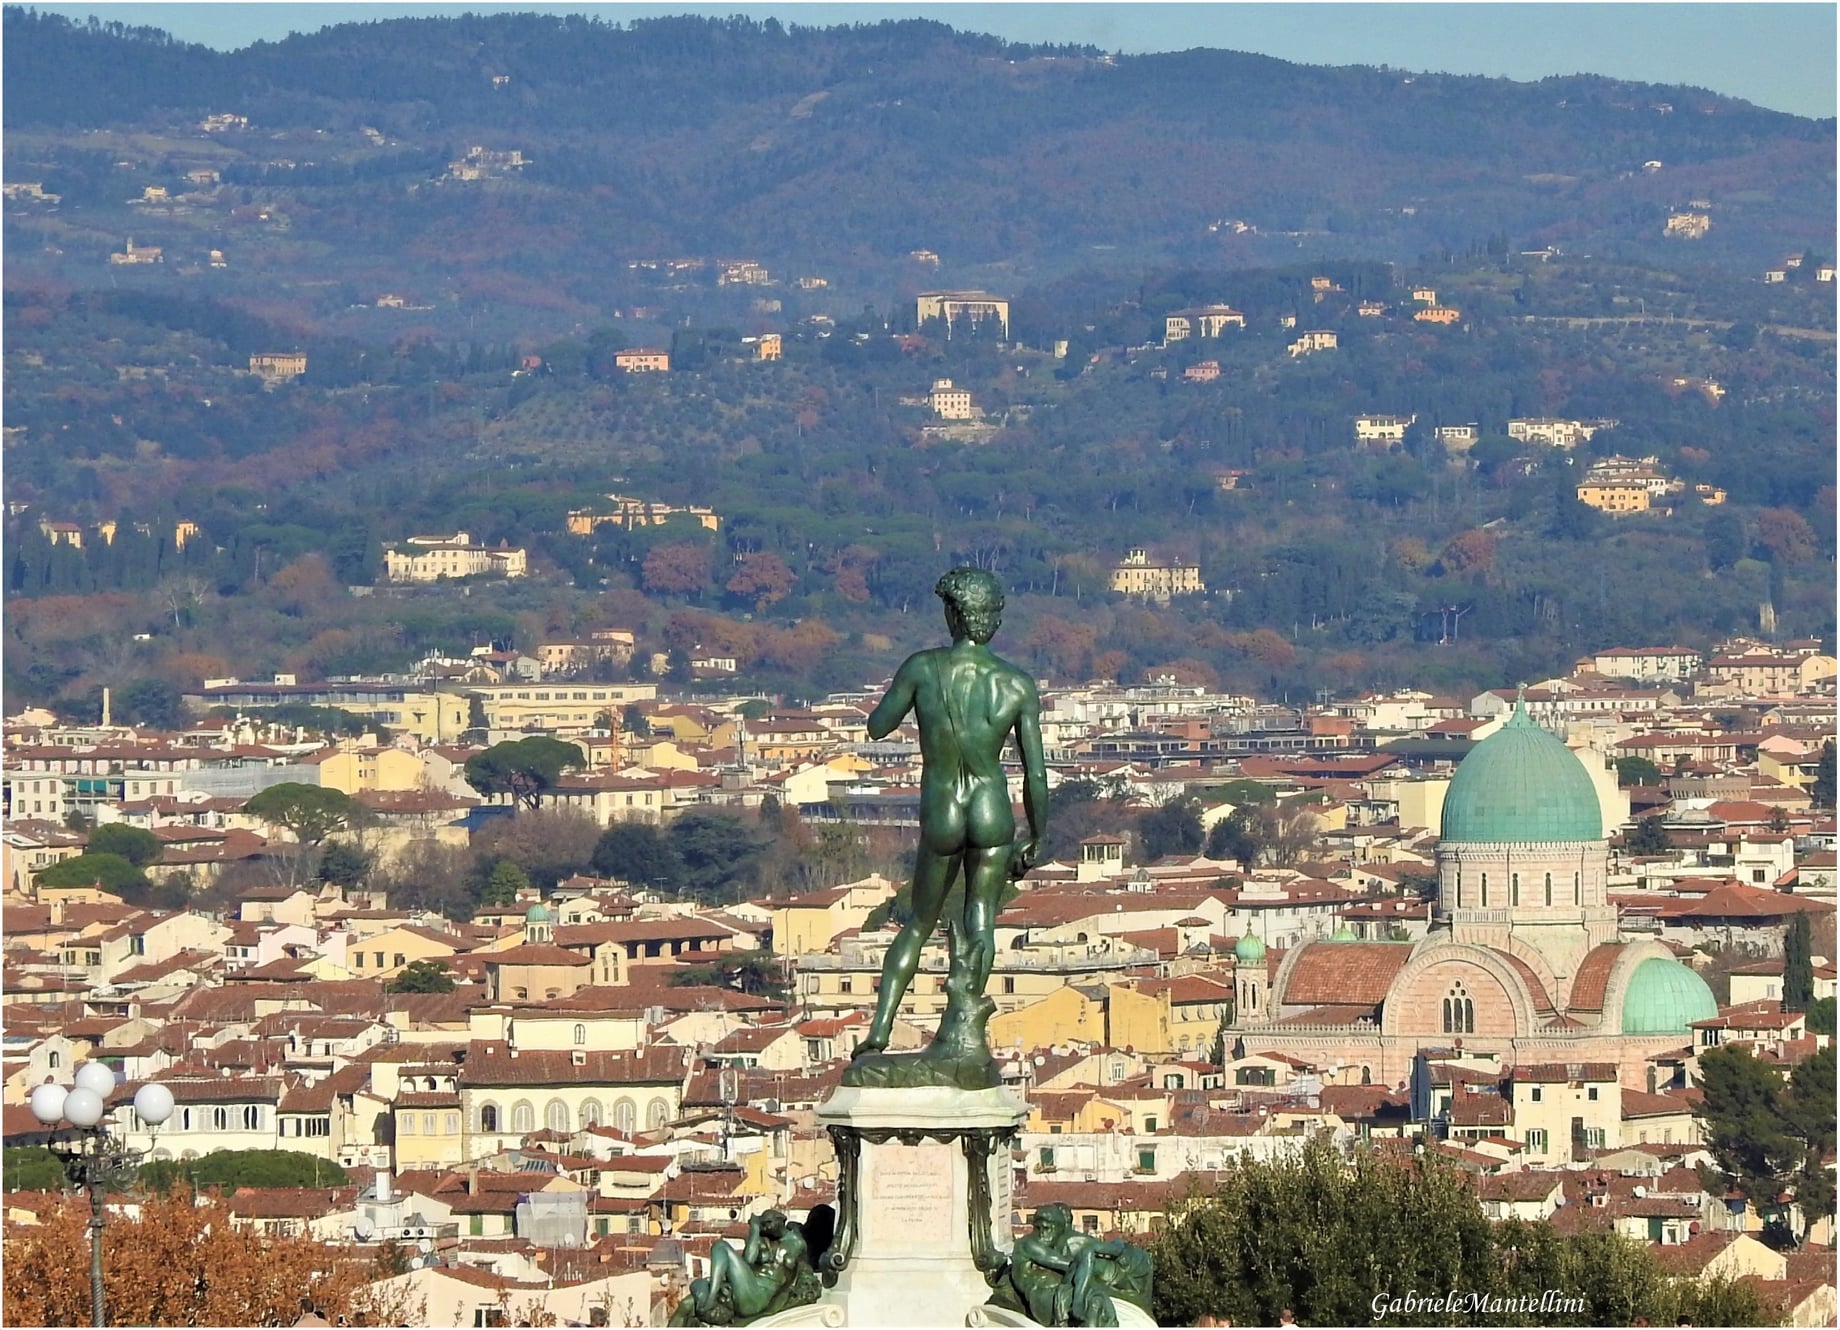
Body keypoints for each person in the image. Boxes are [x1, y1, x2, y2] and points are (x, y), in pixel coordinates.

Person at [850, 568, 1047, 1069]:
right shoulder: (1016, 684)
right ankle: (964, 1026)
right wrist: (1038, 835)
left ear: (952, 616)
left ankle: (878, 1034)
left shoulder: (922, 667)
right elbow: (1036, 776)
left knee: (918, 922)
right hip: (991, 808)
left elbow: (877, 726)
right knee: (980, 917)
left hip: (942, 806)